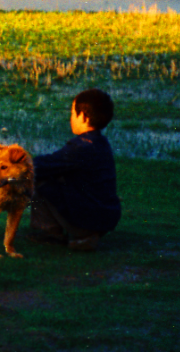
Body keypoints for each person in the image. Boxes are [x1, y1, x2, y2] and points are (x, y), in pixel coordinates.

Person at [30, 88, 121, 251]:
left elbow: (43, 166)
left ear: (84, 117)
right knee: (53, 176)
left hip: (91, 218)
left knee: (36, 176)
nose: (70, 118)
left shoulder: (81, 147)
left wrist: (18, 163)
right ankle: (83, 234)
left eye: (73, 113)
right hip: (107, 216)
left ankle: (54, 233)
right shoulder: (101, 143)